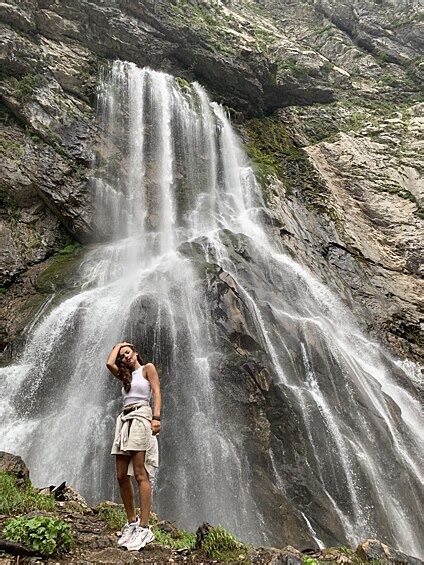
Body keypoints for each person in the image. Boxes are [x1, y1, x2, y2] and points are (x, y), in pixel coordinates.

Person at [106, 341, 161, 551]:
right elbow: (109, 363)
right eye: (122, 356)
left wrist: (156, 418)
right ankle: (131, 522)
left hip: (141, 416)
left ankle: (144, 528)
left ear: (135, 352)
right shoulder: (125, 376)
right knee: (121, 475)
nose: (124, 357)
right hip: (125, 420)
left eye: (127, 353)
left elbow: (156, 392)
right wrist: (119, 345)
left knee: (140, 474)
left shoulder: (148, 369)